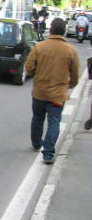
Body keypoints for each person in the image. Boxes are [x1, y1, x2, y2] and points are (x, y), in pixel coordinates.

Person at [25, 17, 80, 164]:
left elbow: (28, 68)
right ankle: (48, 153)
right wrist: (72, 84)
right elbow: (75, 73)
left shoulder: (40, 47)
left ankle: (37, 144)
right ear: (64, 32)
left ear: (50, 30)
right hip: (58, 95)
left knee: (37, 118)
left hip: (39, 92)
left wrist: (37, 74)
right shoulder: (71, 50)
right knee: (54, 121)